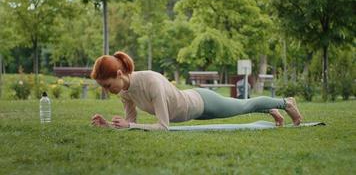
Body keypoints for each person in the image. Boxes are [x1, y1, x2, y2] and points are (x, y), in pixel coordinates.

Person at [91, 51, 302, 131]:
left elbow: (163, 127)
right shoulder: (124, 92)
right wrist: (109, 124)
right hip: (191, 111)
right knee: (243, 107)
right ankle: (271, 111)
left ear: (119, 74)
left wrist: (130, 125)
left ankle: (286, 102)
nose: (107, 91)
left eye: (107, 85)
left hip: (202, 102)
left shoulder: (151, 81)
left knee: (244, 105)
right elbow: (131, 123)